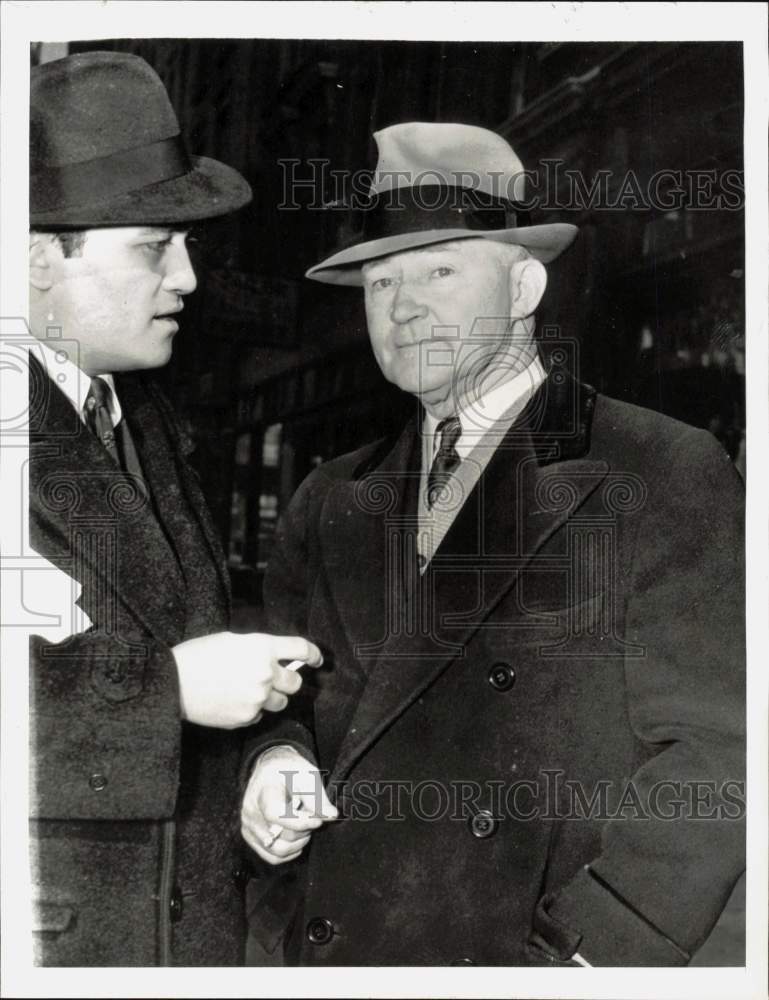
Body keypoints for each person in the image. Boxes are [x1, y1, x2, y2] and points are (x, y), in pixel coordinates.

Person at [240, 122, 746, 966]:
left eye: (439, 270)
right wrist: (273, 759)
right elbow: (284, 704)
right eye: (379, 280)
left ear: (522, 288)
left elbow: (723, 747)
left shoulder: (655, 467)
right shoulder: (327, 498)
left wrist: (594, 950)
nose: (401, 307)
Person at [27, 50, 322, 967]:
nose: (188, 279)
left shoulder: (139, 420)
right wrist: (168, 696)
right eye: (157, 247)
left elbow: (199, 640)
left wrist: (273, 753)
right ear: (38, 261)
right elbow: (177, 678)